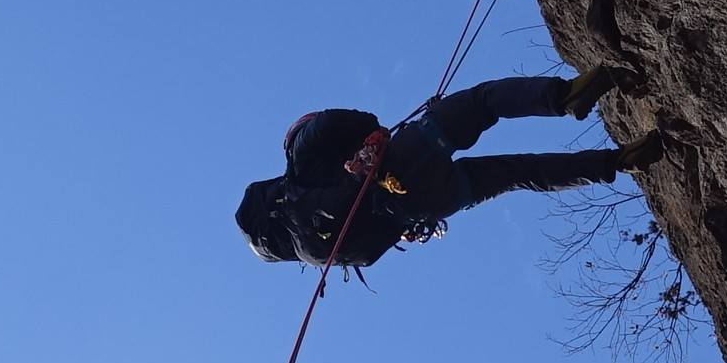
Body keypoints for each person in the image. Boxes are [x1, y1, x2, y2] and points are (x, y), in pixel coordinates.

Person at [236, 68, 663, 268]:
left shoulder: (317, 250)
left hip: (425, 206)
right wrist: (374, 132)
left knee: (521, 173)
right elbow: (340, 122)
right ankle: (563, 96)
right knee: (483, 103)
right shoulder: (301, 160)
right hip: (401, 162)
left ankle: (616, 162)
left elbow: (372, 247)